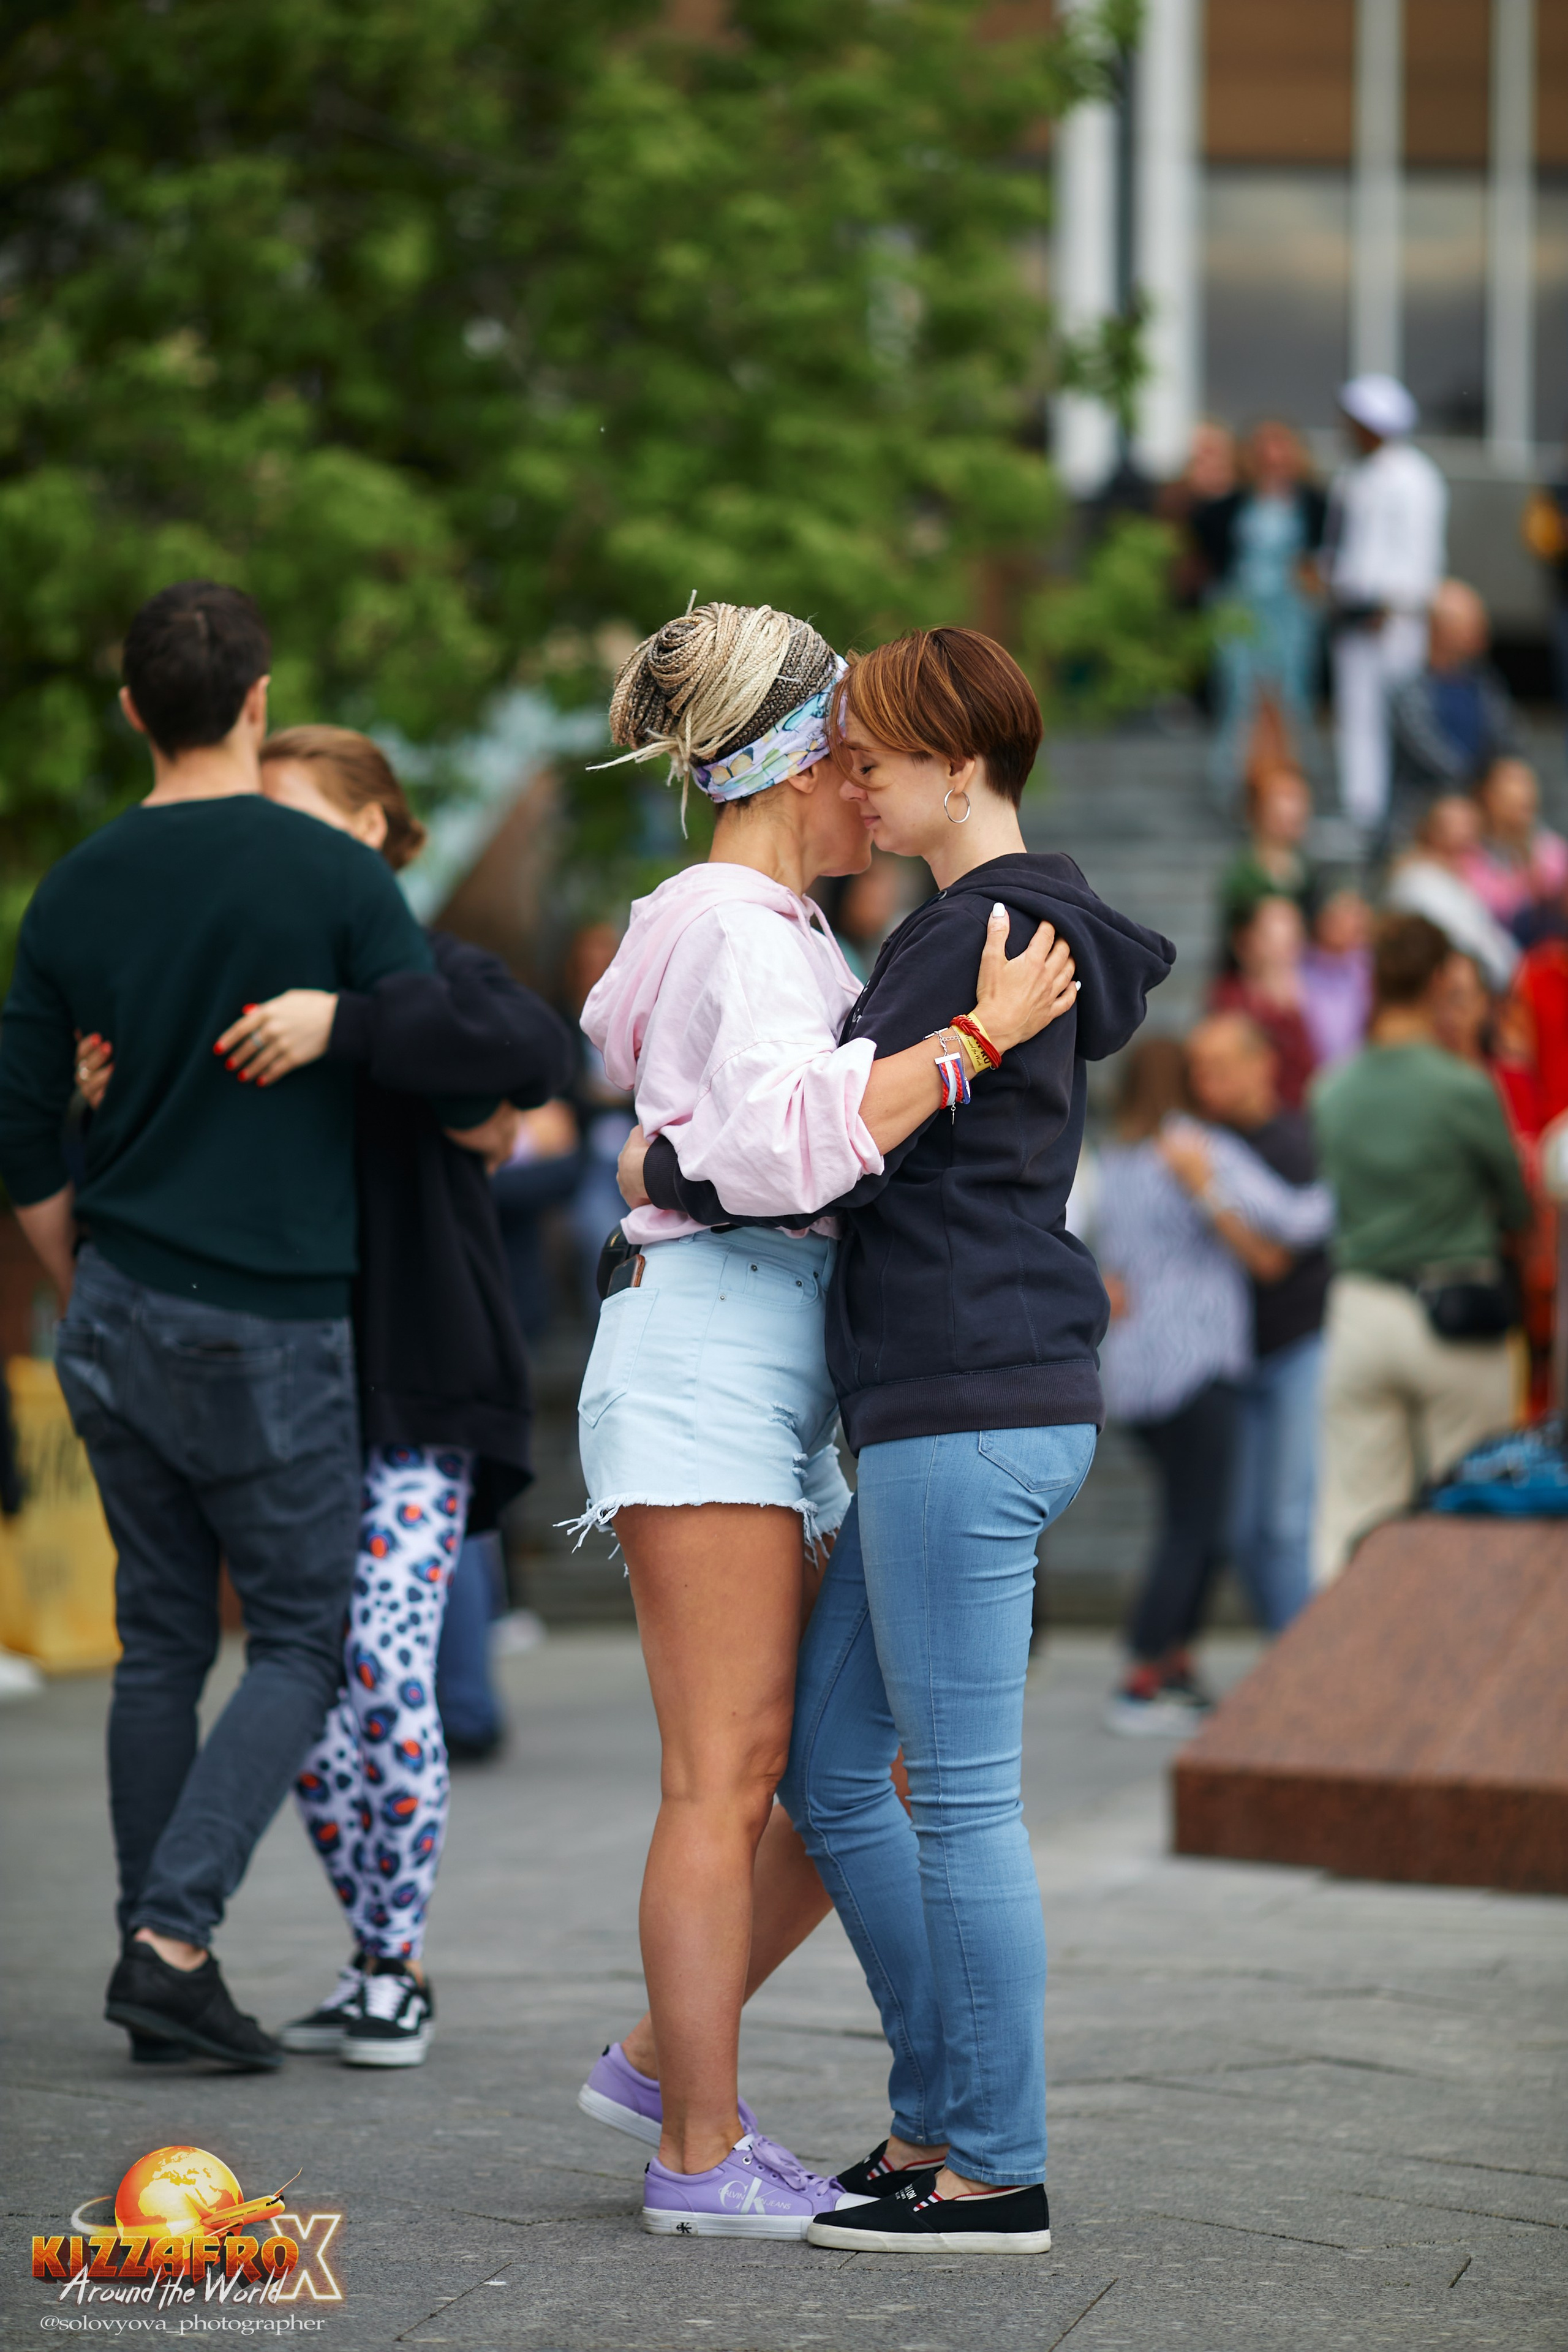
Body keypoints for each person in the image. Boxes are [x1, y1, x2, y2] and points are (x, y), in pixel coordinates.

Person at [612, 625, 1178, 2255]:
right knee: (844, 1772)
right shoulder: (1003, 922)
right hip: (970, 1396)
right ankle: (939, 2120)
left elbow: (821, 1147)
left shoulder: (969, 934)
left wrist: (660, 1177)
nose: (851, 777)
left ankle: (992, 2163)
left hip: (964, 1399)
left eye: (877, 755)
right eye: (841, 752)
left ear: (961, 766)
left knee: (961, 1800)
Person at [74, 723, 575, 2065]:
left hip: (416, 1387)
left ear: (371, 830)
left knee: (380, 1666)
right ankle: (369, 1960)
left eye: (295, 816)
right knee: (299, 1690)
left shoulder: (425, 970)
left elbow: (534, 1054)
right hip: (266, 1388)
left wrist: (347, 1022)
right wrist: (102, 1097)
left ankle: (392, 1969)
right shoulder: (229, 985)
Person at [0, 582, 439, 2068]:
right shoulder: (322, 869)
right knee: (303, 1636)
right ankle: (171, 1937)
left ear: (132, 709)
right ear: (258, 702)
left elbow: (18, 1125)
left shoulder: (72, 889)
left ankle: (157, 1968)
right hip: (269, 1316)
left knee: (157, 1644)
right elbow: (436, 1050)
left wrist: (81, 1275)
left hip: (119, 1303)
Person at [1094, 1039, 1333, 1732]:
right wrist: (1346, 1187)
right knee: (1195, 1525)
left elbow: (1074, 1235)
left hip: (1134, 1371)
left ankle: (1173, 1665)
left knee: (1188, 1516)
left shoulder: (1117, 1160)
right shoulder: (1196, 1147)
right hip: (1197, 1361)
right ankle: (1143, 1671)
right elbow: (1296, 1218)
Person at [1311, 914, 1532, 1580]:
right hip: (1456, 1310)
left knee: (1352, 1515)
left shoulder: (1331, 1090)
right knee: (1472, 1511)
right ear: (1440, 981)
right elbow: (1517, 1207)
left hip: (1358, 1309)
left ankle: (1341, 1670)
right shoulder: (1463, 1088)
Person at [1186, 1014, 1332, 1634]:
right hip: (1232, 1359)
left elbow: (1271, 1262)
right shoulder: (1205, 1141)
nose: (1208, 1085)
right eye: (1199, 1073)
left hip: (1300, 1348)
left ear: (1261, 1065)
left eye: (1220, 1068)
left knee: (1285, 1524)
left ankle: (1305, 1672)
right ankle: (1289, 1655)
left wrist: (1207, 1193)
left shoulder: (1298, 1143)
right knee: (1240, 1531)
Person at [1324, 375, 1447, 836]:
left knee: (1398, 716)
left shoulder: (1415, 476)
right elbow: (1343, 544)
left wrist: (1394, 602)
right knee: (1356, 715)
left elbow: (1420, 552)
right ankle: (1362, 809)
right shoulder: (1352, 474)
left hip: (1394, 617)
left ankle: (1399, 811)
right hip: (1353, 610)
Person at [1199, 421, 1327, 804]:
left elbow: (1322, 561)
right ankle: (1234, 784)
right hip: (1241, 610)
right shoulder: (1232, 505)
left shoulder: (1314, 504)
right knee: (1239, 694)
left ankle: (1290, 786)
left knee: (1291, 696)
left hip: (1292, 612)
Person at [1389, 580, 1523, 809]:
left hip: (1484, 799)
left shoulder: (1486, 685)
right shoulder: (1409, 691)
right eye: (1469, 625)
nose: (1482, 632)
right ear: (1439, 629)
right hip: (1430, 804)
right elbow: (1429, 755)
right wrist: (1477, 784)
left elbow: (1508, 737)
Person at [1385, 797, 1519, 992]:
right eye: (1456, 825)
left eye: (1471, 824)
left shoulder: (1460, 877)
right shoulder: (1418, 881)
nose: (1467, 834)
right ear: (1432, 831)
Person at [1209, 894, 1318, 1110]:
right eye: (1272, 936)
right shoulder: (1230, 997)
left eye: (1293, 935)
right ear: (1245, 941)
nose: (1284, 947)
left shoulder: (1314, 992)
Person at [1461, 758, 1568, 941]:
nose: (1524, 790)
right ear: (1487, 796)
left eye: (1527, 782)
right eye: (1512, 782)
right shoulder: (1467, 856)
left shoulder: (1553, 851)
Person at [1216, 764, 1321, 946]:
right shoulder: (1244, 872)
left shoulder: (1310, 869)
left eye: (1300, 800)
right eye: (1286, 797)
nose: (1295, 808)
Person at [1300, 888, 1373, 1068]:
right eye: (1343, 918)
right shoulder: (1298, 966)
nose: (1350, 926)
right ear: (1322, 921)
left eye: (1358, 922)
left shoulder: (1368, 968)